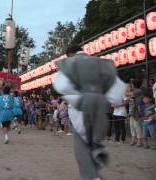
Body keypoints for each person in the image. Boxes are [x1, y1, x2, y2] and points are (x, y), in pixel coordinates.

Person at [53, 45, 126, 180]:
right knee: (94, 139)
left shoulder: (71, 64)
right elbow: (117, 90)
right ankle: (97, 153)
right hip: (100, 105)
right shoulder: (101, 63)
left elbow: (61, 85)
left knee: (81, 145)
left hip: (81, 106)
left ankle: (92, 175)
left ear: (70, 55)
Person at [126, 79, 144, 147]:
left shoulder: (139, 91)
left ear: (135, 84)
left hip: (136, 111)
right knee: (132, 127)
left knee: (137, 127)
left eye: (132, 84)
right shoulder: (134, 91)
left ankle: (140, 141)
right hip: (131, 111)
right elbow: (128, 97)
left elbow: (127, 94)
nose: (131, 85)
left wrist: (128, 92)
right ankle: (133, 140)